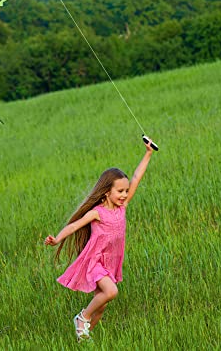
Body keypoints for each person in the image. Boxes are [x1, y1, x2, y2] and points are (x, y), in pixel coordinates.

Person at [44, 138, 155, 342]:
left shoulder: (123, 206)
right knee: (111, 292)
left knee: (101, 307)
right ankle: (81, 318)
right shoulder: (97, 213)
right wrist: (58, 238)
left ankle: (84, 338)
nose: (124, 194)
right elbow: (75, 225)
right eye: (119, 191)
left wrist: (148, 153)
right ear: (107, 192)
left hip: (110, 262)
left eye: (125, 191)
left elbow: (137, 177)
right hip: (96, 261)